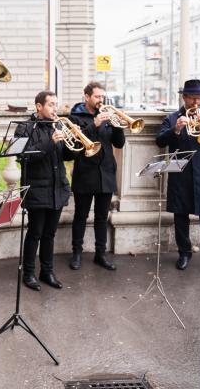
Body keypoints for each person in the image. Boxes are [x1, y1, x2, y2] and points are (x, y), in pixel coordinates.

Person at [155, 79, 200, 278]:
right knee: (181, 217)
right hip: (182, 175)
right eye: (194, 98)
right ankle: (184, 254)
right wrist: (176, 130)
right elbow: (159, 140)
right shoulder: (172, 118)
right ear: (184, 97)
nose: (197, 102)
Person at [16, 91, 75, 290]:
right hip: (37, 190)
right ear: (39, 106)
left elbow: (66, 156)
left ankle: (47, 272)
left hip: (57, 188)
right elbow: (25, 158)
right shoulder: (25, 128)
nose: (55, 108)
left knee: (50, 234)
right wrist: (51, 142)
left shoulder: (58, 125)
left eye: (56, 104)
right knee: (35, 233)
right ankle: (29, 273)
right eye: (50, 104)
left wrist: (72, 140)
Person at [67, 81, 123, 271]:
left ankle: (101, 254)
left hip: (106, 172)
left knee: (102, 217)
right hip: (85, 172)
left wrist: (117, 124)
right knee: (81, 216)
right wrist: (95, 124)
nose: (101, 100)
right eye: (97, 96)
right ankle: (76, 254)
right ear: (87, 97)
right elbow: (75, 143)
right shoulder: (75, 117)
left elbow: (119, 143)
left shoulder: (108, 115)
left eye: (102, 96)